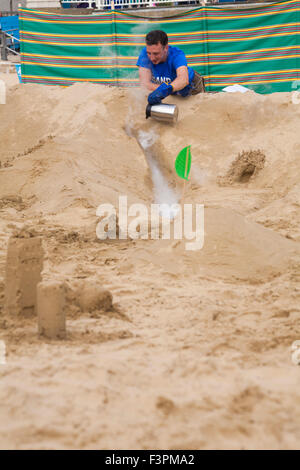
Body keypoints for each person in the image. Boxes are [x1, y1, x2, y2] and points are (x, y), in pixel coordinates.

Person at [136, 30, 205, 106]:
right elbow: (145, 83)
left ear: (166, 48)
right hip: (170, 86)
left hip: (192, 86)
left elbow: (183, 80)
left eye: (156, 53)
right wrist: (162, 90)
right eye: (149, 53)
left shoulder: (177, 54)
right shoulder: (144, 53)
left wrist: (165, 90)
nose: (152, 58)